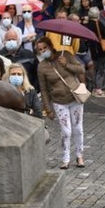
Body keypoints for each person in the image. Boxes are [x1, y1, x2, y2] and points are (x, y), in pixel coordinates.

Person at [36, 37, 87, 169]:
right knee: (66, 131)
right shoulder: (41, 67)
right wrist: (48, 108)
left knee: (78, 129)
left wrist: (66, 64)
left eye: (44, 48)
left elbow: (81, 69)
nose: (43, 51)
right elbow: (44, 89)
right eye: (40, 50)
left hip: (75, 98)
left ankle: (79, 155)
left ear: (50, 46)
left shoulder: (65, 55)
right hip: (59, 102)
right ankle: (65, 158)